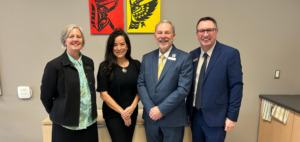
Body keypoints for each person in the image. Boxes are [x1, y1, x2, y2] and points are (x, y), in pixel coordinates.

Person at [186, 16, 243, 142]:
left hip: (217, 117)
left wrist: (232, 116)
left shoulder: (230, 54)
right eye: (201, 31)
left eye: (209, 30)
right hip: (195, 116)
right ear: (197, 34)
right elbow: (190, 86)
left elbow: (236, 86)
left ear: (216, 32)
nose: (205, 34)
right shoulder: (192, 55)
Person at [137, 20, 193, 142]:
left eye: (167, 33)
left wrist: (161, 109)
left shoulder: (184, 58)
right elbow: (141, 84)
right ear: (155, 36)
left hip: (173, 119)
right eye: (160, 33)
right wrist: (151, 108)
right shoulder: (147, 58)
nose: (163, 36)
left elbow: (183, 89)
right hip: (151, 118)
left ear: (173, 36)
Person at [40, 24, 98, 142]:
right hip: (65, 126)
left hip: (89, 124)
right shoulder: (54, 66)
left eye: (79, 36)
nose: (75, 39)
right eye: (71, 36)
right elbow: (45, 97)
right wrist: (60, 113)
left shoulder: (89, 63)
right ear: (64, 41)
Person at [96, 30, 140, 142]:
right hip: (113, 114)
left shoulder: (136, 64)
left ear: (127, 46)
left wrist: (131, 108)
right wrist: (122, 112)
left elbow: (141, 89)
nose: (119, 48)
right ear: (110, 47)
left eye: (122, 44)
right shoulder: (104, 66)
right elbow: (103, 94)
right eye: (115, 45)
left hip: (132, 112)